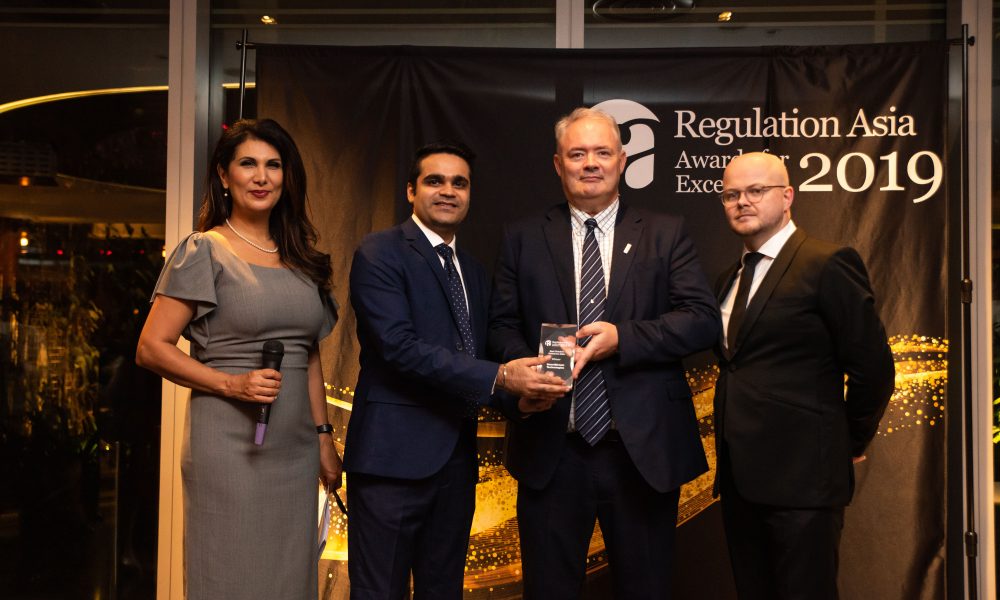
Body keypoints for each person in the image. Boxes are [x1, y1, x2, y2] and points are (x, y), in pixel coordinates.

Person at [488, 108, 720, 598]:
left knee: (646, 590)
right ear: (558, 164)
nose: (590, 163)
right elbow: (501, 326)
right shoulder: (523, 236)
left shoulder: (665, 231)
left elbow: (701, 320)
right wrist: (524, 373)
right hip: (551, 449)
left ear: (622, 160)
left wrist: (623, 338)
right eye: (577, 154)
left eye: (602, 152)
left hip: (641, 452)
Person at [344, 141, 569, 599]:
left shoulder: (473, 270)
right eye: (435, 181)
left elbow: (474, 352)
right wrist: (502, 377)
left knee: (443, 590)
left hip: (455, 464)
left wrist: (521, 400)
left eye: (459, 183)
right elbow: (399, 348)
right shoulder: (380, 252)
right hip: (391, 463)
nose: (448, 191)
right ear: (411, 191)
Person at [136, 118, 341, 600]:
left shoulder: (301, 258)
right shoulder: (204, 250)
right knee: (230, 575)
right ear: (224, 175)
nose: (262, 176)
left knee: (290, 580)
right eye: (248, 164)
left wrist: (323, 437)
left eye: (274, 165)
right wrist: (231, 384)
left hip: (295, 449)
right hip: (228, 445)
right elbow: (151, 347)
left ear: (287, 177)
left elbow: (308, 356)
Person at [713, 151, 895, 600]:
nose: (742, 202)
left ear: (788, 196)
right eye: (731, 195)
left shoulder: (828, 263)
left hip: (805, 483)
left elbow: (873, 368)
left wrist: (848, 441)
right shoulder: (728, 278)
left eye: (756, 191)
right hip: (740, 484)